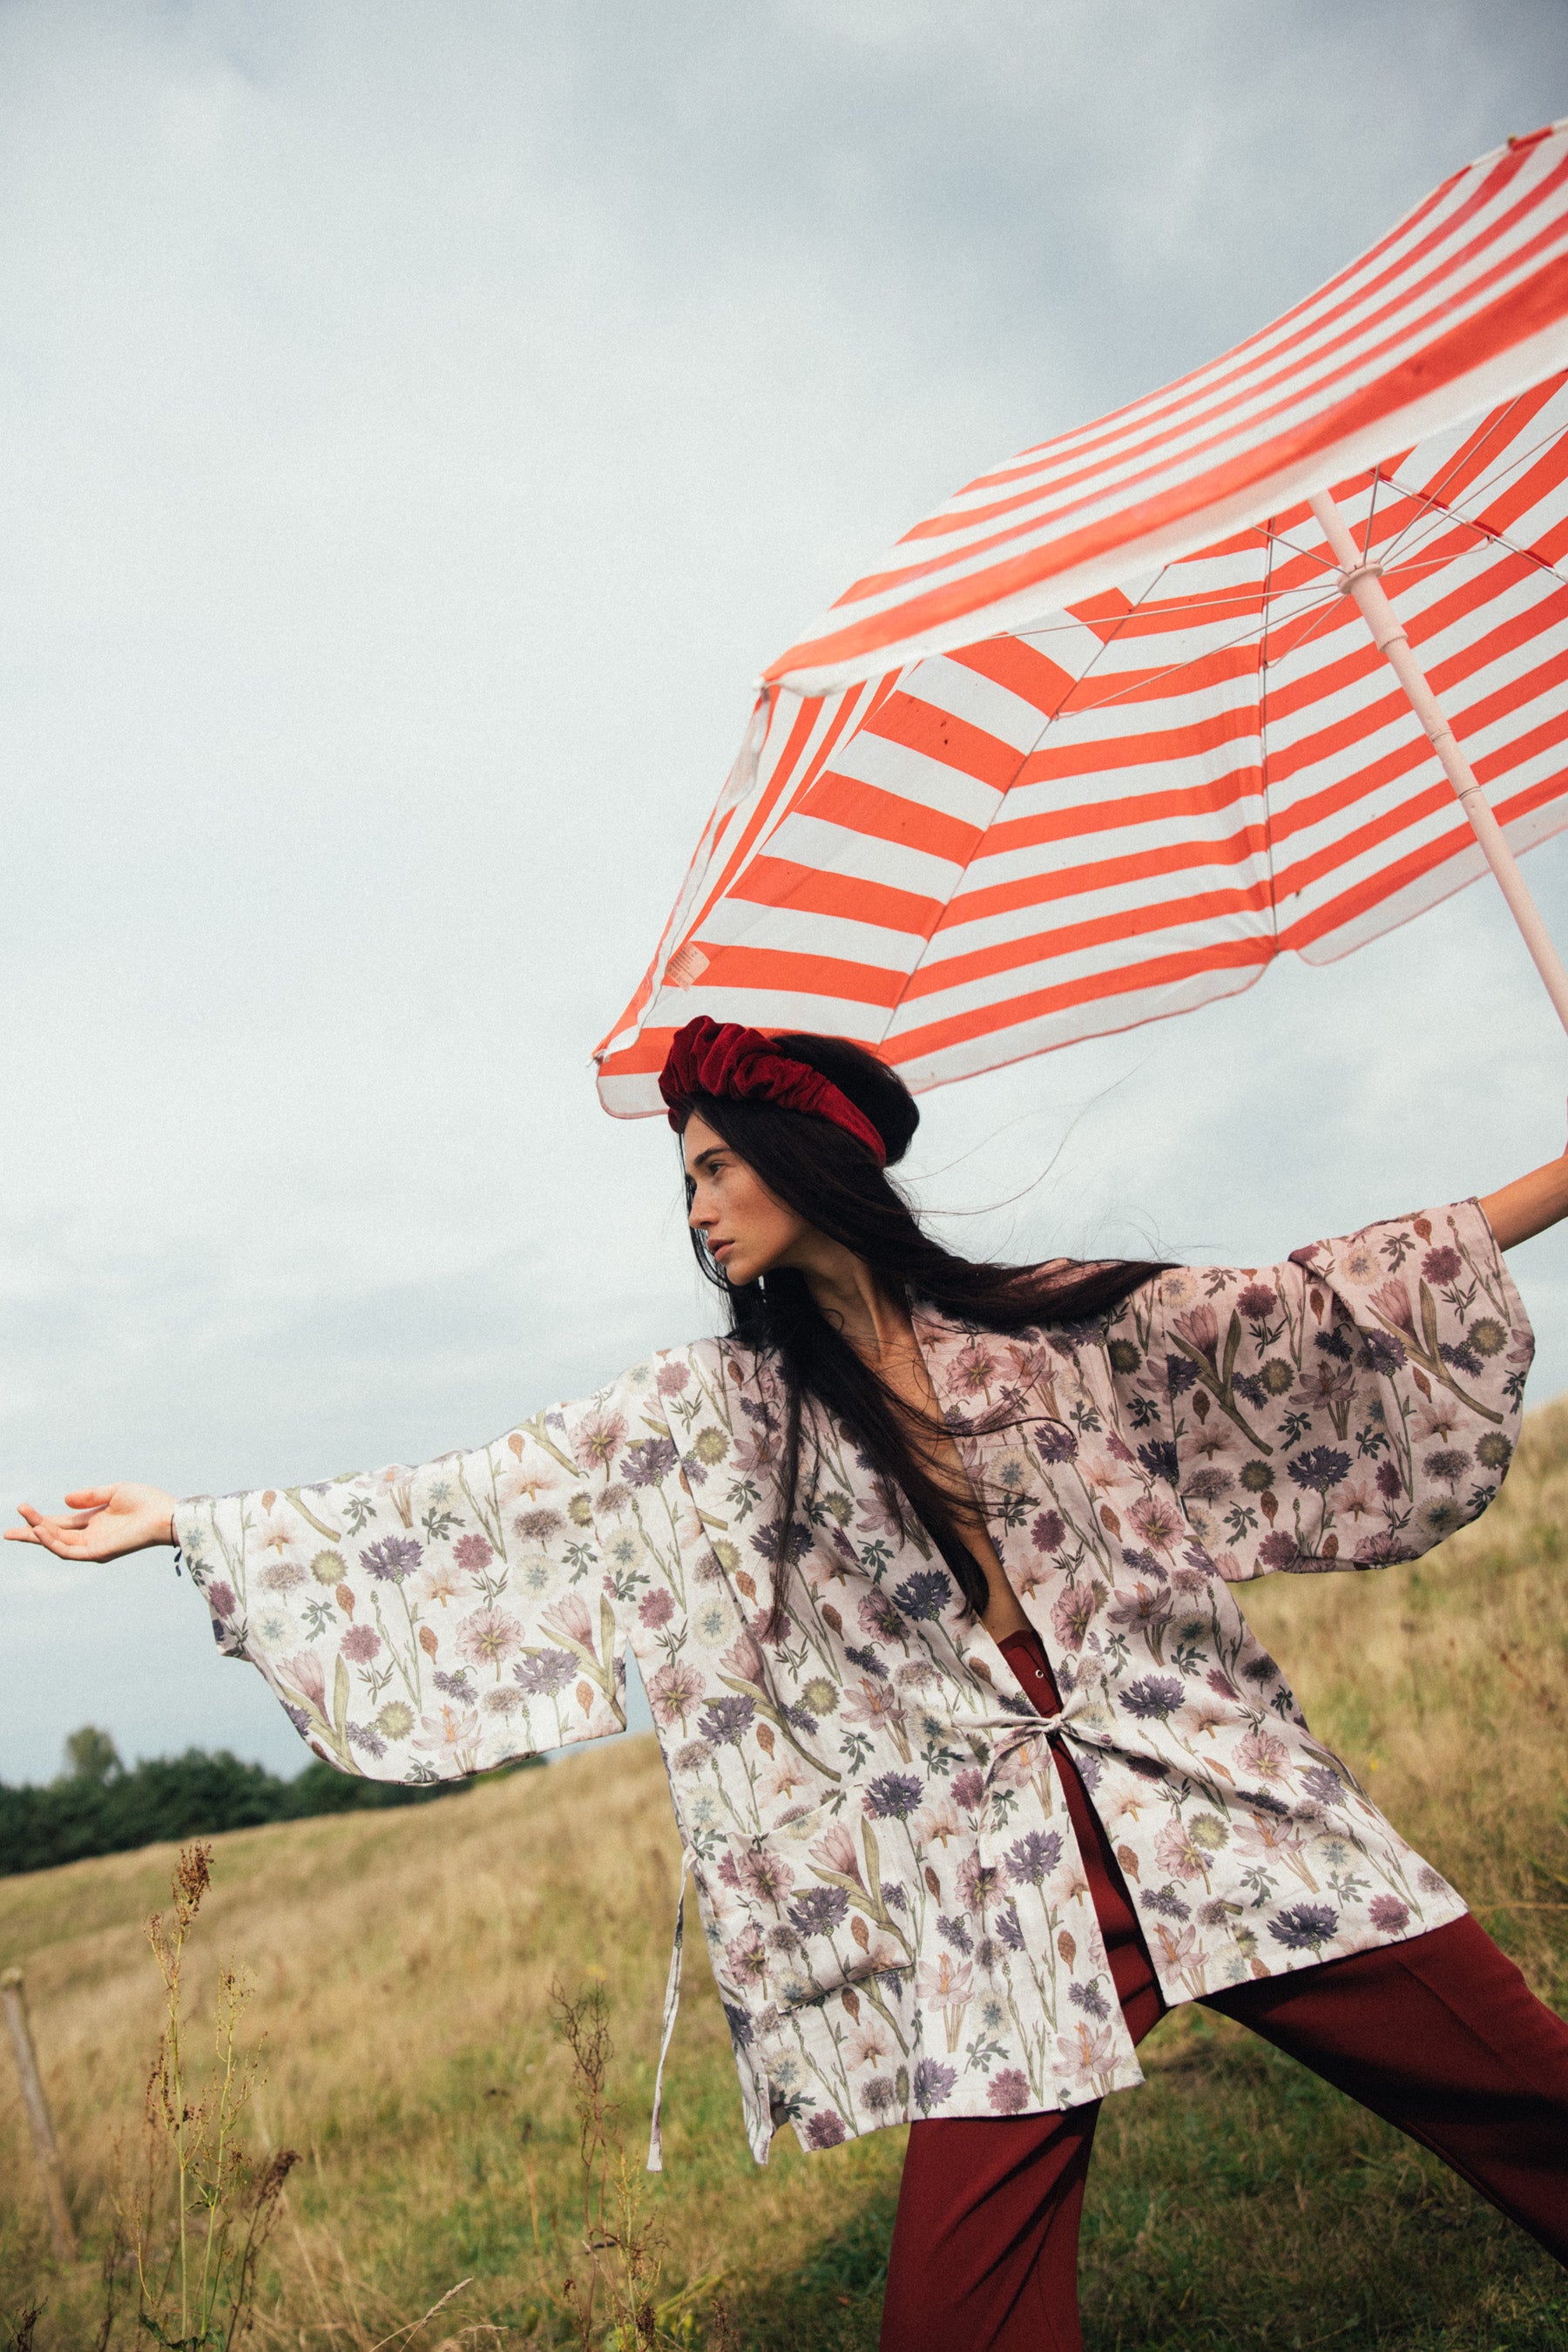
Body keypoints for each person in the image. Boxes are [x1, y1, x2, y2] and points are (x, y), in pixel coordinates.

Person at [9, 1017, 1568, 2349]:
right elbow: (484, 1501)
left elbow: (1314, 1303)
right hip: (995, 1880)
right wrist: (188, 1525)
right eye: (682, 1178)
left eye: (711, 1164)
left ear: (807, 1161)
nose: (693, 1208)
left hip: (1211, 1799)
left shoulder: (1051, 1323)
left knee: (1524, 2094)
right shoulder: (717, 1413)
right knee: (957, 2317)